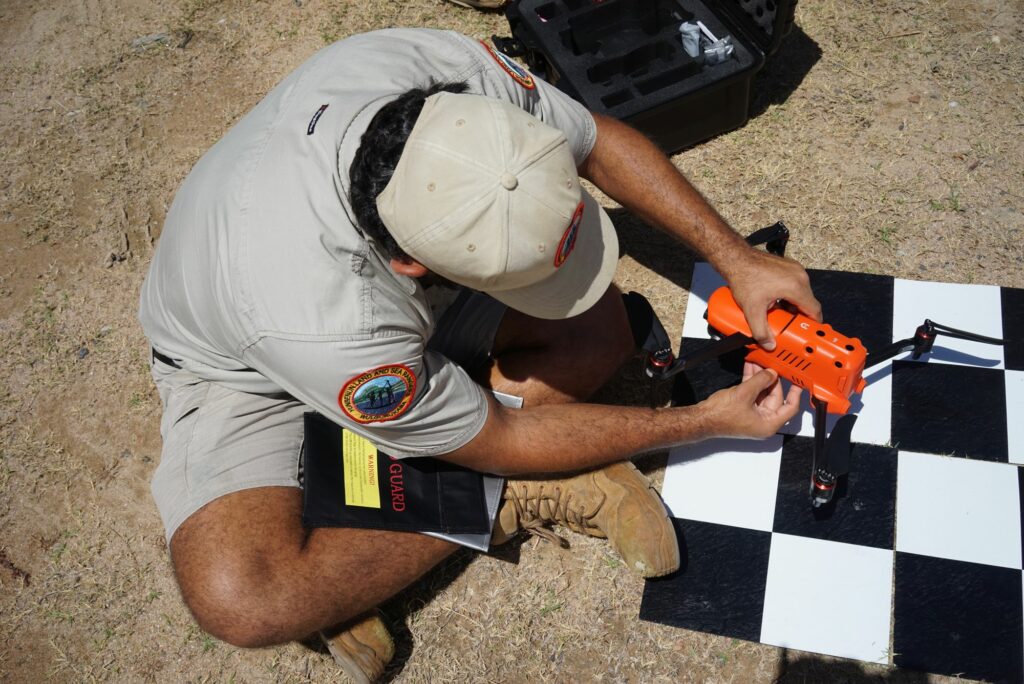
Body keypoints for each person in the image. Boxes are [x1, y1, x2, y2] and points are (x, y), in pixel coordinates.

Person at [138, 28, 820, 683]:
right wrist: (701, 422)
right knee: (244, 596)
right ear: (413, 264)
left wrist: (736, 256)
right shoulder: (326, 322)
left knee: (596, 337)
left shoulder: (439, 76)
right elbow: (502, 435)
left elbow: (594, 140)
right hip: (245, 364)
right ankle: (511, 496)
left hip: (364, 302)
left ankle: (392, 485)